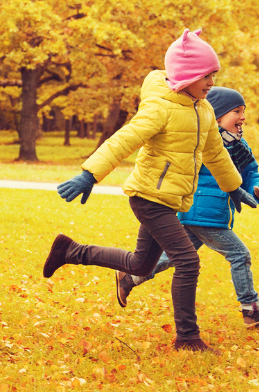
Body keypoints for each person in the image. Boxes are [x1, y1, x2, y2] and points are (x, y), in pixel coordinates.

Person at [44, 29, 256, 353]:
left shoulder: (204, 110)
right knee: (188, 261)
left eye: (214, 74)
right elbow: (124, 140)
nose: (212, 81)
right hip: (148, 198)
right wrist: (90, 174)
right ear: (186, 76)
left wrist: (235, 188)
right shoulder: (160, 107)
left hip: (168, 200)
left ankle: (71, 251)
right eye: (206, 75)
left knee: (141, 264)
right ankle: (187, 337)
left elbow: (216, 154)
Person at [118, 87, 259, 327]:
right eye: (237, 111)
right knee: (239, 254)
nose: (243, 117)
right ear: (217, 118)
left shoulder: (238, 144)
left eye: (243, 111)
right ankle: (251, 308)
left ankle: (130, 276)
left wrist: (255, 185)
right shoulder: (201, 142)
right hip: (201, 211)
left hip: (208, 214)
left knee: (175, 257)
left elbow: (249, 170)